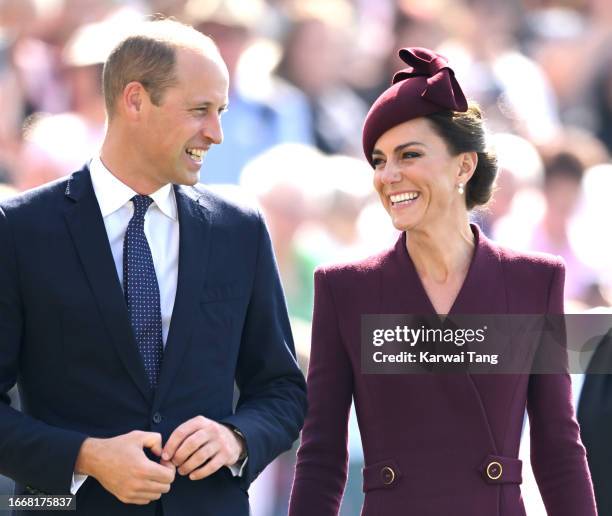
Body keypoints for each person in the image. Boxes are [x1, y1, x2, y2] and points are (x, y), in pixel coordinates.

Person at [0, 19, 306, 516]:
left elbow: (282, 389)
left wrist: (236, 438)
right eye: (200, 110)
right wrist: (86, 457)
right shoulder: (18, 230)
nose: (217, 133)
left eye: (221, 111)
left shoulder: (239, 229)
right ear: (135, 100)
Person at [288, 47, 596, 515]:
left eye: (408, 155)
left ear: (464, 166)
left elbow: (557, 450)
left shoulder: (536, 281)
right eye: (378, 160)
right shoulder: (344, 288)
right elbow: (321, 457)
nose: (389, 175)